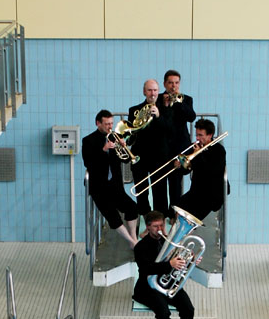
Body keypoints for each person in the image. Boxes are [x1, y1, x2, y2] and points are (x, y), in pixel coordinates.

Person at [133, 210, 195, 319]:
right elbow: (146, 268)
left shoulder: (169, 241)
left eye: (161, 225)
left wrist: (192, 260)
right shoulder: (141, 247)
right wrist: (169, 264)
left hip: (167, 283)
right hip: (147, 287)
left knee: (188, 309)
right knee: (163, 312)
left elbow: (181, 263)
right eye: (155, 226)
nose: (159, 229)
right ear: (147, 227)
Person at [82, 109, 139, 248]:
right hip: (98, 187)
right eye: (106, 123)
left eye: (111, 123)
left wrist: (124, 148)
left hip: (115, 185)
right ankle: (132, 242)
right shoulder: (88, 140)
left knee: (132, 207)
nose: (110, 127)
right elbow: (89, 163)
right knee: (113, 216)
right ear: (98, 123)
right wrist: (104, 150)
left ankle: (133, 237)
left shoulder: (115, 137)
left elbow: (125, 161)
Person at [127, 79, 169, 217]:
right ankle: (145, 219)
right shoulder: (134, 110)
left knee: (160, 192)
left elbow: (170, 130)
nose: (153, 93)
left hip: (159, 156)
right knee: (141, 190)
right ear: (144, 92)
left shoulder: (165, 110)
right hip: (141, 155)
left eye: (155, 90)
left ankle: (160, 221)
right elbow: (131, 134)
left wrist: (158, 116)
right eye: (150, 90)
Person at [156, 70, 196, 213]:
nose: (174, 86)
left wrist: (178, 103)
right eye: (171, 83)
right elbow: (158, 121)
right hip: (162, 147)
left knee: (176, 184)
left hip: (179, 146)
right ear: (165, 84)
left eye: (177, 83)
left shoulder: (186, 99)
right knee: (160, 184)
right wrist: (165, 106)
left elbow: (192, 117)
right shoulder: (158, 99)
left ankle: (174, 214)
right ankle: (160, 215)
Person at [176, 118, 227, 221]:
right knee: (177, 207)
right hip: (196, 191)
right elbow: (187, 170)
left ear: (210, 135)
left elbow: (212, 171)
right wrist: (180, 165)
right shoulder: (195, 147)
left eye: (201, 135)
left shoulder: (219, 150)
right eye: (197, 135)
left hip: (211, 194)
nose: (198, 138)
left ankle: (185, 234)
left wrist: (199, 154)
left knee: (190, 218)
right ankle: (179, 235)